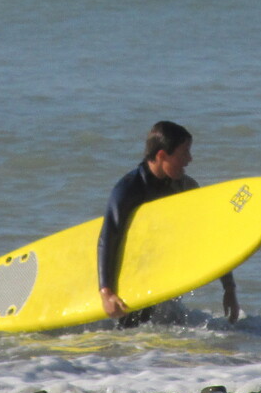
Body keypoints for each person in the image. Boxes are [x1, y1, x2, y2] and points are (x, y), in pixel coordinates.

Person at [98, 121, 240, 325]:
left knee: (163, 334)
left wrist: (229, 289)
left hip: (162, 279)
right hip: (132, 278)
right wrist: (106, 293)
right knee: (131, 331)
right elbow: (108, 238)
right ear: (162, 155)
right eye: (184, 153)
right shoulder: (128, 190)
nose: (189, 159)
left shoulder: (186, 187)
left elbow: (211, 235)